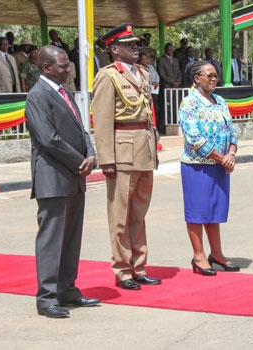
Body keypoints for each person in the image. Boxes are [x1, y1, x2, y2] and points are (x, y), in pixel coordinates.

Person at [25, 45, 100, 318]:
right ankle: (47, 298)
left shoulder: (64, 92)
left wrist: (90, 155)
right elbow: (48, 139)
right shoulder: (38, 96)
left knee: (71, 237)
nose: (69, 70)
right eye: (63, 65)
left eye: (68, 64)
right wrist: (79, 161)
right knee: (51, 240)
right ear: (46, 68)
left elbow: (82, 130)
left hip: (74, 176)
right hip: (53, 177)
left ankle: (67, 289)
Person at [92, 23, 161, 291]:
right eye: (129, 44)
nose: (136, 48)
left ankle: (139, 266)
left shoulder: (142, 73)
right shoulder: (108, 76)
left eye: (136, 44)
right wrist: (106, 158)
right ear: (114, 49)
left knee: (139, 213)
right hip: (121, 151)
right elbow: (103, 118)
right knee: (120, 215)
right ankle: (122, 270)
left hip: (143, 148)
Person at [178, 61, 240, 276]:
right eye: (209, 75)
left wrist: (231, 153)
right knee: (197, 211)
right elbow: (194, 138)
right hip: (197, 167)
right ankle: (199, 256)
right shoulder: (189, 104)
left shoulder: (220, 101)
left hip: (220, 164)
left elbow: (232, 130)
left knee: (214, 211)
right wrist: (222, 158)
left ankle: (217, 254)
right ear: (197, 78)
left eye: (215, 75)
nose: (214, 79)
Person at [156, 42, 182, 134]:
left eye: (172, 49)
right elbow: (161, 73)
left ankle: (176, 125)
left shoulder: (175, 60)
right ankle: (164, 128)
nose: (170, 51)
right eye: (169, 49)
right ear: (165, 50)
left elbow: (179, 72)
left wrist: (178, 82)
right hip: (166, 87)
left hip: (176, 88)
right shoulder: (160, 60)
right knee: (166, 108)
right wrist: (172, 82)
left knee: (176, 106)